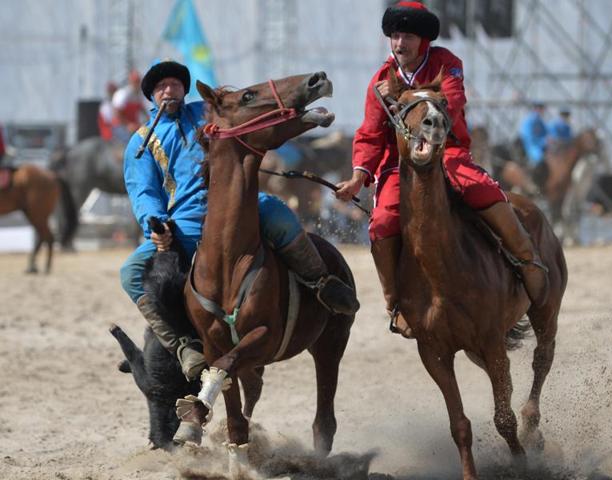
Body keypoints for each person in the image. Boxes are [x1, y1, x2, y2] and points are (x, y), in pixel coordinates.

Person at [120, 60, 358, 380]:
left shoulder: (208, 112)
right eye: (161, 86)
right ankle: (181, 345)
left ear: (184, 89)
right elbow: (144, 191)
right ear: (151, 95)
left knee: (278, 212)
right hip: (186, 221)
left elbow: (254, 115)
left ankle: (322, 284)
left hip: (244, 202)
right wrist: (154, 222)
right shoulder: (141, 141)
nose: (169, 90)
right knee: (131, 272)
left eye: (175, 84)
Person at [336, 1, 548, 338]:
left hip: (447, 152)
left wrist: (402, 95)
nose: (398, 43)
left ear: (424, 40)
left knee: (484, 191)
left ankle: (526, 259)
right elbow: (371, 134)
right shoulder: (379, 80)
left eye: (406, 35)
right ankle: (395, 301)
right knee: (382, 223)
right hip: (399, 164)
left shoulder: (447, 64)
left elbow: (450, 103)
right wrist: (358, 177)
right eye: (394, 35)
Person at [112, 70, 148, 144]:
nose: (137, 84)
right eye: (135, 82)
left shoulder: (138, 95)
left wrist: (150, 120)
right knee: (129, 142)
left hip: (133, 125)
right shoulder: (123, 94)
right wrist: (128, 124)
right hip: (120, 126)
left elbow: (143, 110)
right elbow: (117, 113)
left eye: (138, 81)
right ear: (130, 82)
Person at [519, 102, 549, 188]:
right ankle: (534, 180)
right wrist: (543, 141)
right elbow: (529, 137)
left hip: (542, 145)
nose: (542, 111)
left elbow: (546, 133)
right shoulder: (530, 121)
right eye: (541, 109)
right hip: (532, 146)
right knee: (539, 157)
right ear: (536, 109)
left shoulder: (541, 121)